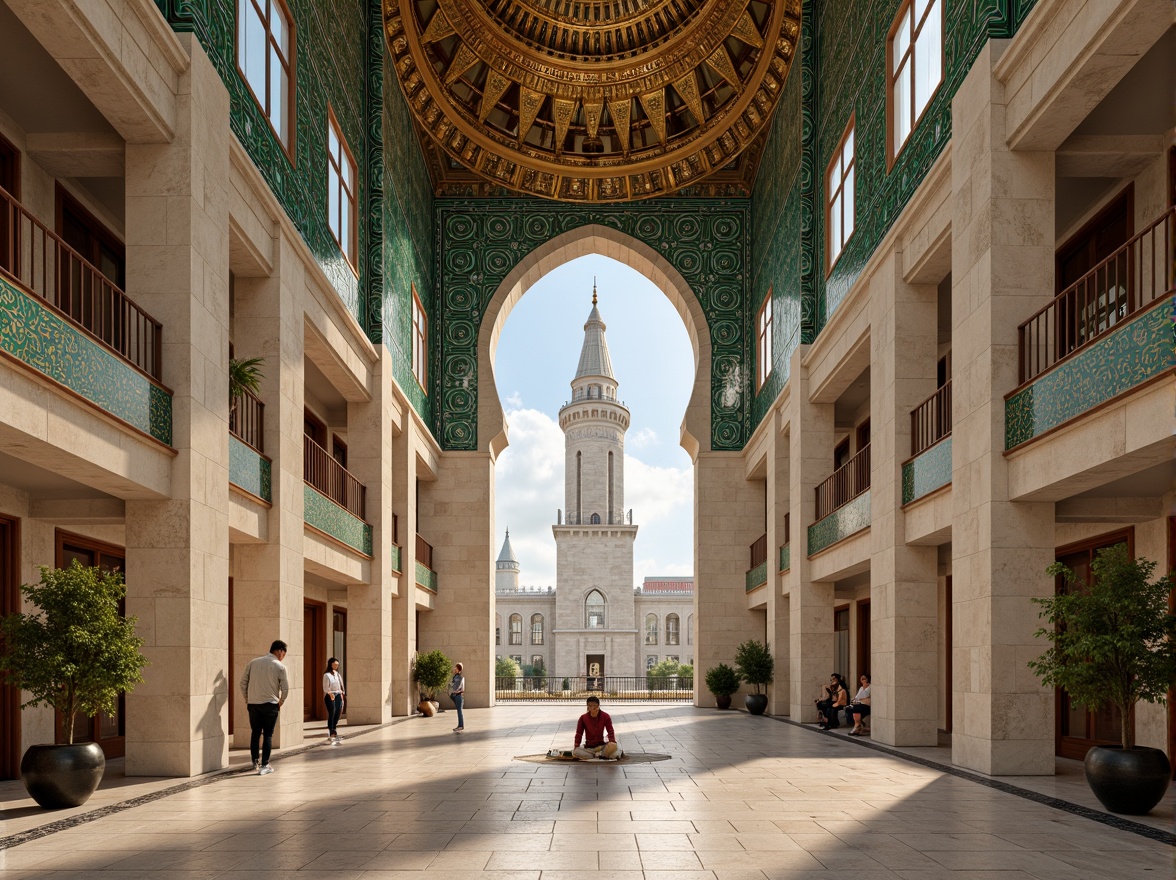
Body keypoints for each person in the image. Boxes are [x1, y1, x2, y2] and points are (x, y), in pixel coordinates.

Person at [240, 640, 289, 775]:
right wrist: (281, 702)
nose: (282, 657)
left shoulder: (253, 662)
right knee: (268, 734)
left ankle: (255, 761)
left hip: (253, 704)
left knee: (255, 733)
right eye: (283, 654)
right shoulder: (280, 667)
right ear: (280, 651)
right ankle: (265, 764)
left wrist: (247, 699)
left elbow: (242, 683)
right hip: (270, 705)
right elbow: (285, 689)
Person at [572, 695, 619, 760]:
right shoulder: (583, 718)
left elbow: (610, 732)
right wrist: (576, 747)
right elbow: (579, 734)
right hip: (589, 748)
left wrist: (611, 742)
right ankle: (599, 756)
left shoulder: (605, 716)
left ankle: (600, 755)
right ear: (587, 706)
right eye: (590, 706)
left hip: (602, 747)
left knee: (614, 747)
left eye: (594, 705)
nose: (592, 708)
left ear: (598, 706)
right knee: (576, 752)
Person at [323, 657, 345, 744]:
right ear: (330, 664)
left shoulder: (337, 674)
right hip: (330, 695)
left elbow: (341, 685)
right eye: (334, 664)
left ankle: (334, 727)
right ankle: (331, 730)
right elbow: (325, 687)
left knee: (338, 712)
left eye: (337, 665)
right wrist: (330, 694)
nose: (335, 666)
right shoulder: (326, 675)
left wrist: (342, 693)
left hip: (338, 694)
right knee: (332, 712)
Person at [449, 662, 465, 732]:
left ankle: (460, 726)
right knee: (459, 711)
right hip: (458, 696)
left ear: (458, 669)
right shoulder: (457, 676)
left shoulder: (458, 677)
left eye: (456, 667)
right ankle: (460, 726)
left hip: (458, 696)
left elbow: (455, 687)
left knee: (459, 711)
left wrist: (452, 687)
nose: (454, 668)